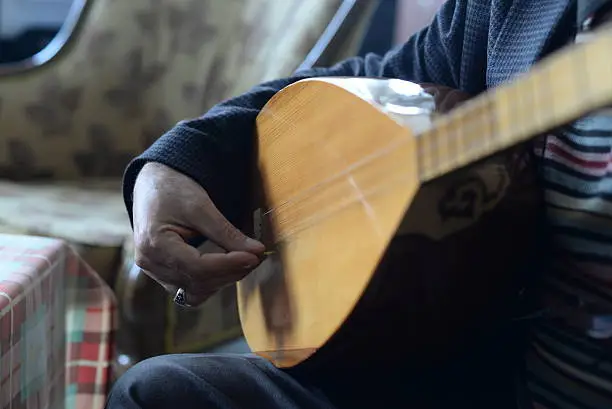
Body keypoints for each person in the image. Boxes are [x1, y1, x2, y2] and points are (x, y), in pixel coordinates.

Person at [106, 0, 612, 408]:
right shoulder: (524, 8)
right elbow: (378, 81)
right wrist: (178, 162)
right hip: (488, 373)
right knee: (157, 392)